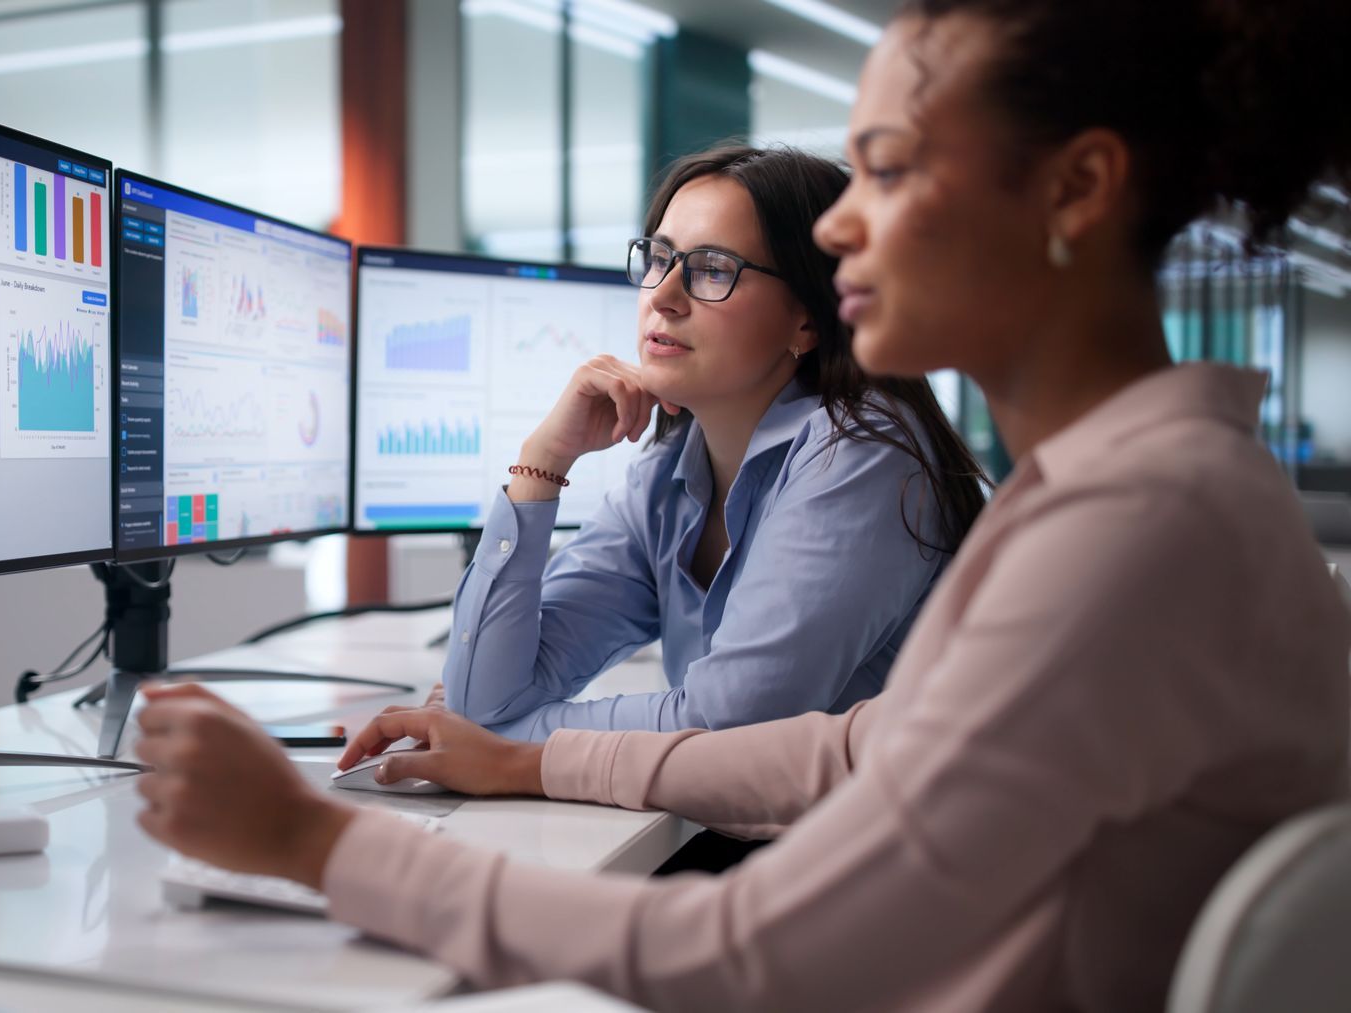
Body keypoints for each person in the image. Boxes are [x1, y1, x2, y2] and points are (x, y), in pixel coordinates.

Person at [132, 1, 1351, 1009]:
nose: (836, 223)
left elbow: (750, 952)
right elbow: (856, 746)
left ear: (1076, 188)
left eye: (886, 165)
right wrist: (531, 749)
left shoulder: (1132, 528)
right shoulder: (1115, 493)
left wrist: (315, 842)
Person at [437, 145, 986, 740]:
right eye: (659, 259)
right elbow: (482, 700)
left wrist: (514, 745)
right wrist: (541, 462)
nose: (664, 296)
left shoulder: (862, 453)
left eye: (713, 269)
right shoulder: (667, 472)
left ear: (806, 320)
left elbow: (732, 726)